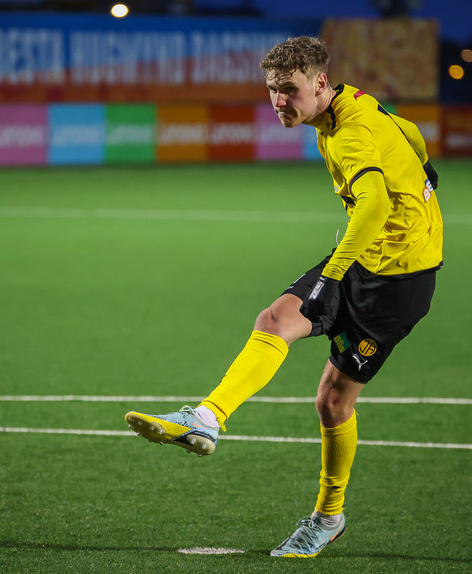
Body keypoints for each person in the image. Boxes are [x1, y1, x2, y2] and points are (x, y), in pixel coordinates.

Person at [125, 35, 443, 558]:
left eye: (289, 89)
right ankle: (206, 419)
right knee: (274, 320)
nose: (278, 101)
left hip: (398, 282)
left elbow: (374, 205)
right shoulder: (350, 104)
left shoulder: (350, 135)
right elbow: (407, 131)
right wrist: (423, 175)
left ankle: (328, 518)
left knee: (333, 402)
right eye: (272, 89)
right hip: (363, 255)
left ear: (320, 83)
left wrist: (333, 274)